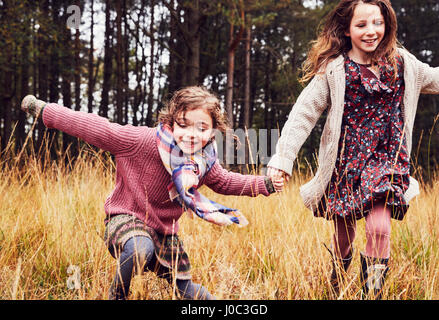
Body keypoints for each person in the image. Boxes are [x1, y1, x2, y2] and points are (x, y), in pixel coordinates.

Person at [21, 86, 284, 300]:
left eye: (202, 128)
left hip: (165, 232)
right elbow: (92, 126)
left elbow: (226, 182)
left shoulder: (204, 162)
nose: (192, 134)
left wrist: (266, 184)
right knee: (139, 248)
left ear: (213, 131)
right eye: (184, 124)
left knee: (187, 291)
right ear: (171, 123)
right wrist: (44, 110)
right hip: (126, 217)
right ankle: (117, 296)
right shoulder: (141, 141)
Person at [267, 0, 439, 299]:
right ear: (347, 29)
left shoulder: (403, 64)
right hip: (345, 165)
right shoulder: (335, 70)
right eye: (361, 25)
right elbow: (304, 113)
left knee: (380, 228)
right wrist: (284, 158)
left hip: (387, 163)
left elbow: (438, 77)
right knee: (343, 239)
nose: (371, 31)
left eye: (377, 23)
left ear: (387, 24)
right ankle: (337, 283)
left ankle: (371, 295)